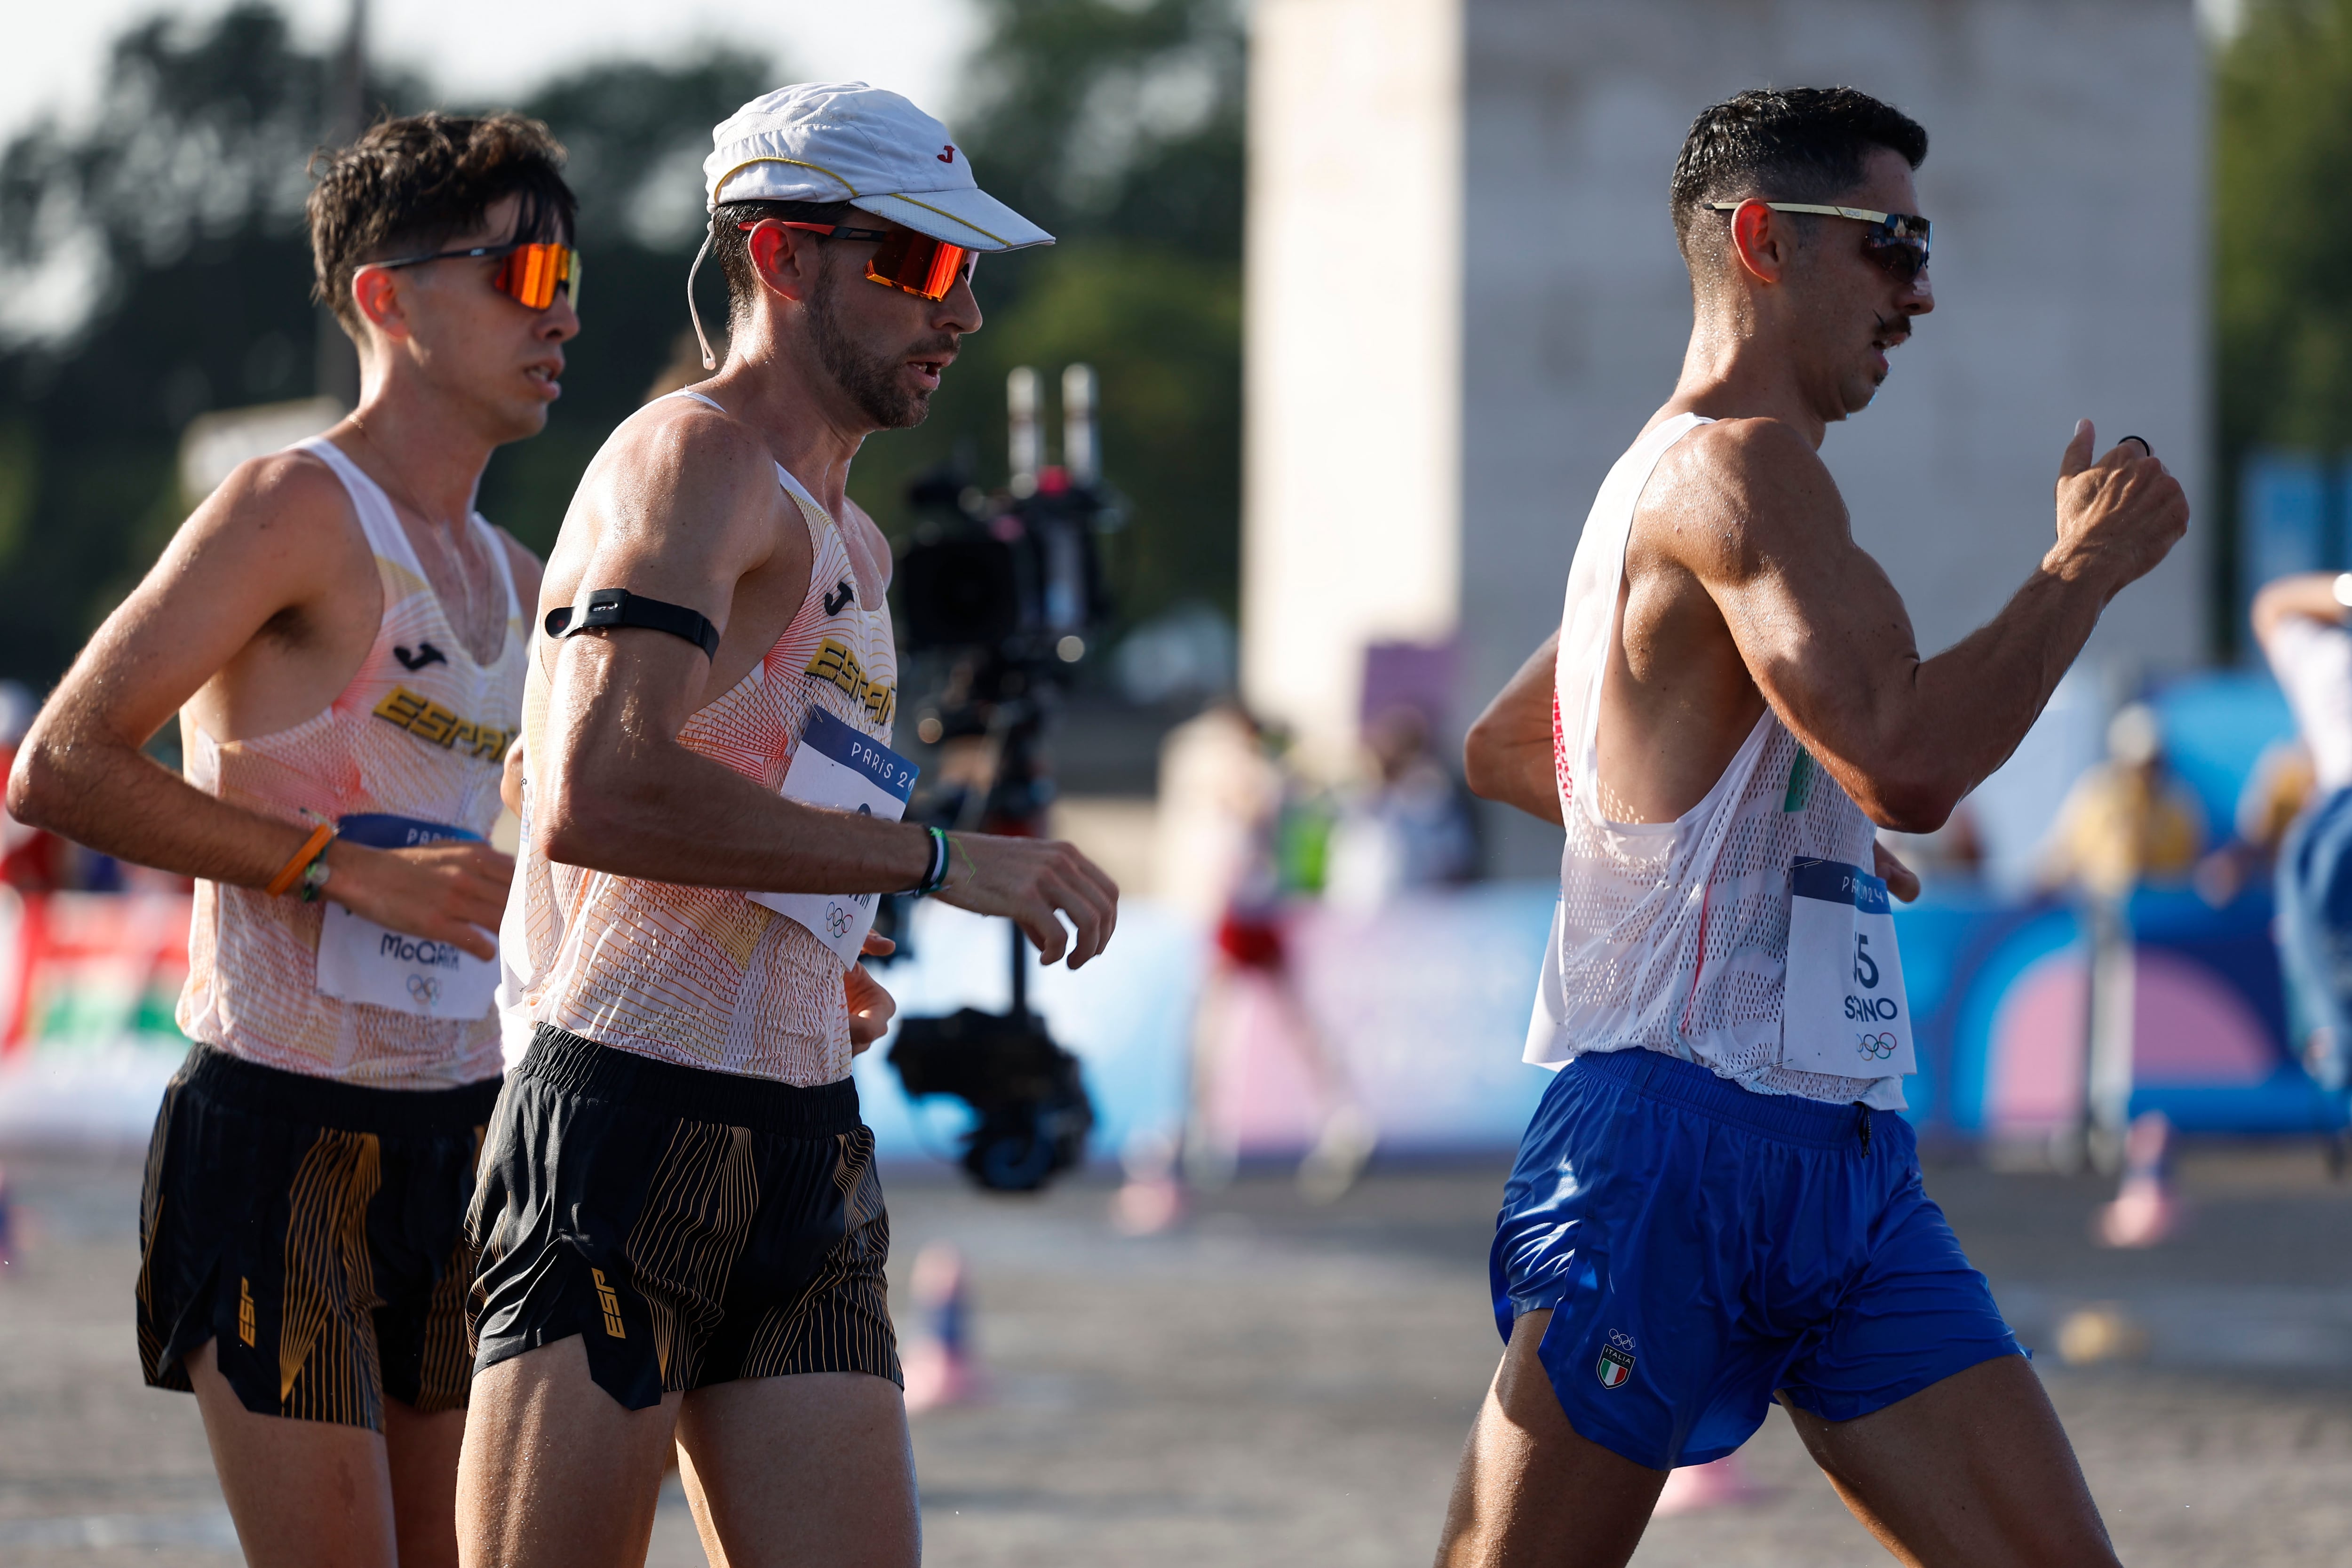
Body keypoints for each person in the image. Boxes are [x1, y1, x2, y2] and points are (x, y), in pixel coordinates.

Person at [1435, 87, 2187, 1567]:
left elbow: (1515, 741)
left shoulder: (1671, 478)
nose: (1919, 291)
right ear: (1766, 240)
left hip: (1839, 1162)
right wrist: (2080, 569)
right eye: (1890, 244)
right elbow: (1908, 758)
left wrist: (1780, 824)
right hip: (1666, 1140)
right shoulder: (1734, 472)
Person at [458, 83, 1119, 1568]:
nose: (954, 313)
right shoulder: (688, 461)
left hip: (802, 1132)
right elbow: (597, 791)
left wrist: (820, 942)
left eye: (968, 271)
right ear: (778, 258)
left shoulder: (857, 540)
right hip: (620, 1117)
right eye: (915, 266)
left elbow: (737, 791)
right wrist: (939, 860)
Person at [4, 112, 576, 1566]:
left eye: (570, 271)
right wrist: (338, 866)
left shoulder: (522, 575)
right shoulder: (295, 508)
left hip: (463, 1136)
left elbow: (536, 859)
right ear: (386, 297)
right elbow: (59, 764)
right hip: (278, 1131)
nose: (561, 304)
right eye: (520, 271)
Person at [2251, 572, 2352, 1101]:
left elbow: (2271, 606)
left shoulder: (2324, 656)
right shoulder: (2325, 654)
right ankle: (2334, 1050)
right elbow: (2271, 605)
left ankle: (2335, 1050)